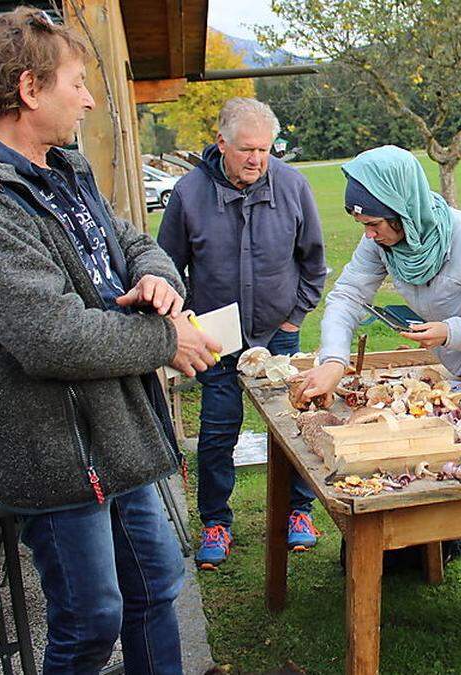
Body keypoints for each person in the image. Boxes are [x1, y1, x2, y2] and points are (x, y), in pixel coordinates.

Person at [0, 8, 221, 673]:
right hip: (53, 455)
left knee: (155, 588)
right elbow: (53, 338)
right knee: (90, 623)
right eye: (77, 82)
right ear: (30, 89)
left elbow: (135, 240)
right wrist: (165, 338)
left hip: (116, 435)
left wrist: (157, 279)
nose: (87, 98)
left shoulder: (66, 170)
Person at [295, 144, 461, 639]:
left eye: (374, 224)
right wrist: (331, 361)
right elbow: (347, 296)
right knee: (453, 465)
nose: (368, 236)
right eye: (364, 226)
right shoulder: (385, 241)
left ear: (403, 209)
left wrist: (449, 331)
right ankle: (450, 541)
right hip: (459, 368)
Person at [158, 98, 328, 569]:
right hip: (215, 338)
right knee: (217, 430)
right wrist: (185, 325)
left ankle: (299, 513)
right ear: (221, 144)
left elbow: (313, 262)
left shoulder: (293, 186)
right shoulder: (188, 194)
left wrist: (294, 317)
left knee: (295, 427)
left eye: (265, 149)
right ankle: (216, 522)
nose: (256, 159)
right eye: (247, 149)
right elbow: (166, 268)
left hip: (279, 332)